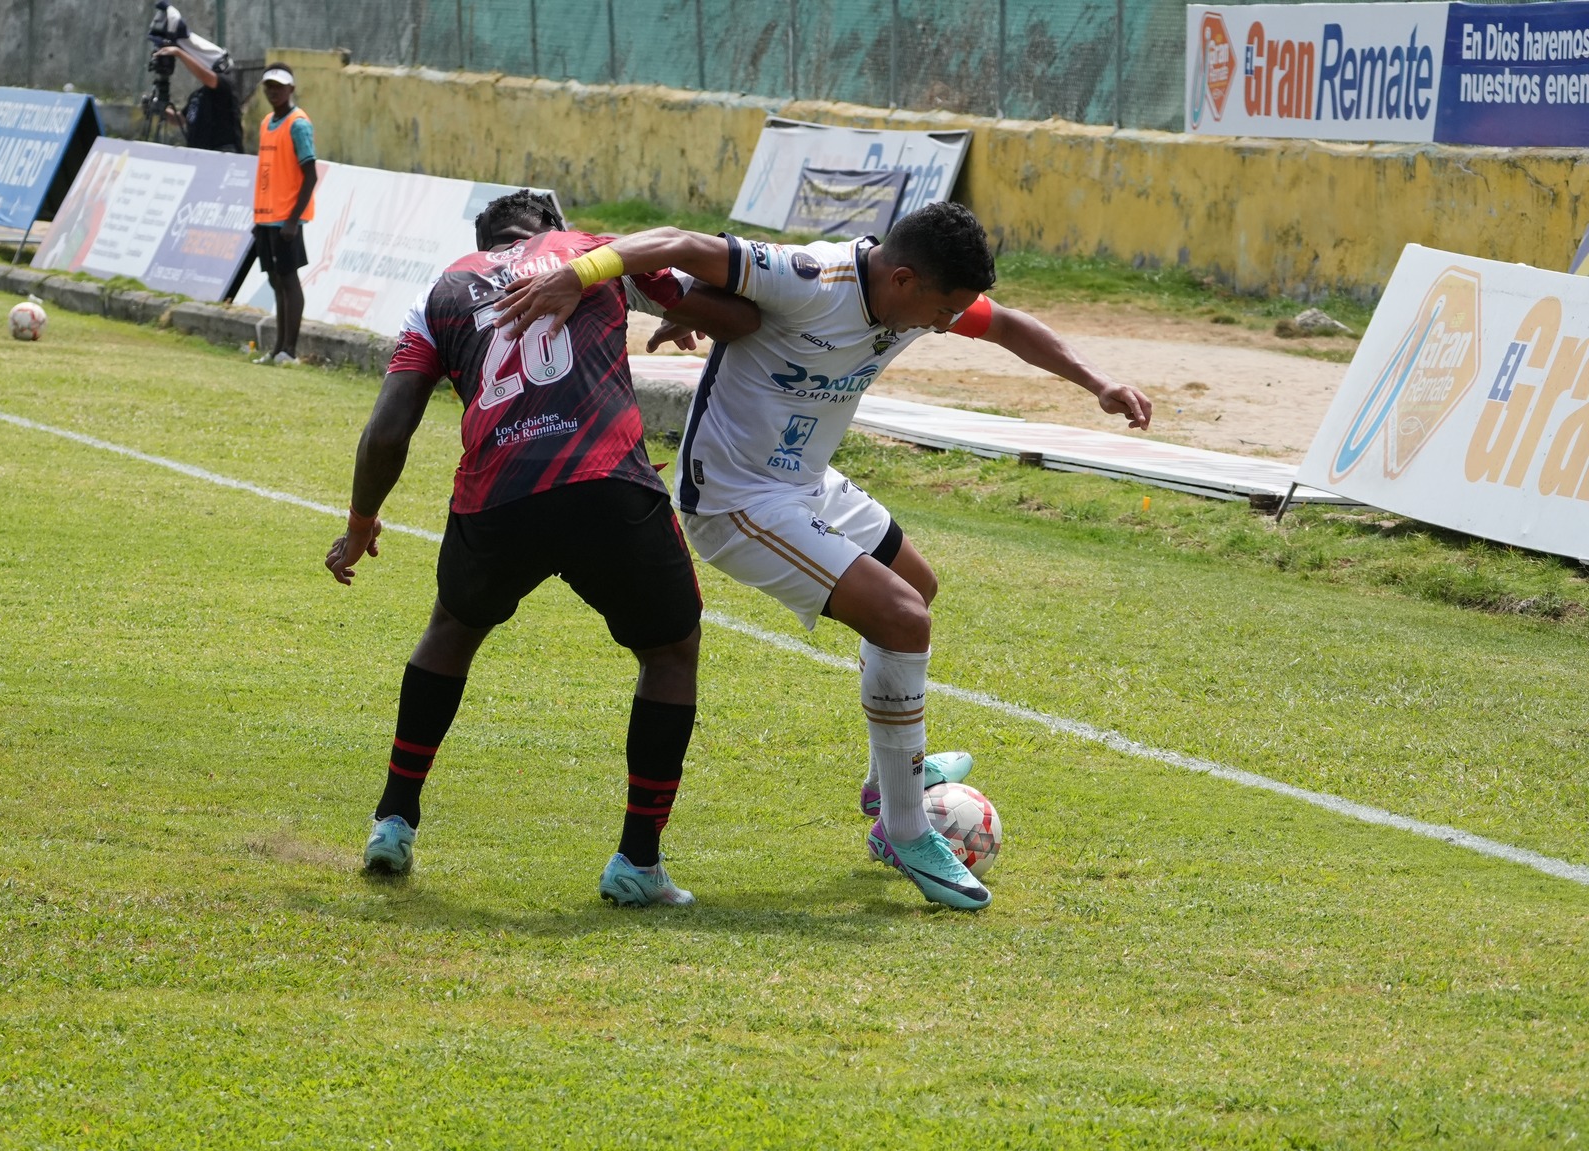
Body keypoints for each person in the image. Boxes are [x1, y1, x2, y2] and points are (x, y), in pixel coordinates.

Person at [492, 202, 1154, 911]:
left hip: (804, 483)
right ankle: (904, 827)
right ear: (902, 280)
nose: (945, 324)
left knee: (914, 588)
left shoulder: (912, 296)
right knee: (902, 620)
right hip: (738, 498)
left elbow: (1010, 326)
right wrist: (580, 273)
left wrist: (1098, 384)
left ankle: (886, 781)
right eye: (941, 310)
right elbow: (680, 242)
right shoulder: (808, 276)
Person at [323, 191, 761, 907]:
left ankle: (393, 820)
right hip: (605, 481)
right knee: (670, 651)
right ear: (550, 228)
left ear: (485, 239)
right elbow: (739, 318)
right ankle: (638, 862)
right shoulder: (595, 247)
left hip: (498, 494)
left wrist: (362, 522)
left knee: (450, 632)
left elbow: (387, 429)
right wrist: (684, 311)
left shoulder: (440, 293)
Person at [250, 64, 316, 365]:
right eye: (268, 86)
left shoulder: (298, 124)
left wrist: (292, 220)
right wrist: (259, 219)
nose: (272, 91)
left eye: (278, 86)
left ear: (290, 88)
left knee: (289, 281)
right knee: (276, 281)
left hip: (286, 220)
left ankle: (289, 349)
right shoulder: (267, 122)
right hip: (267, 217)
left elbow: (310, 175)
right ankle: (277, 348)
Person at [153, 39, 243, 153]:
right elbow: (181, 119)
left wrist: (180, 53)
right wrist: (163, 111)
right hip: (199, 153)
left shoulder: (225, 86)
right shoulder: (197, 95)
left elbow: (206, 76)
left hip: (222, 154)